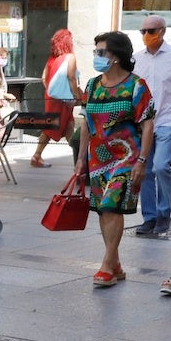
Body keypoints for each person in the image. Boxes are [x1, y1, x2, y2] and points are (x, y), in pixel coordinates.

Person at [76, 30, 155, 288]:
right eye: (95, 52)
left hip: (127, 157)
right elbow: (86, 125)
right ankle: (116, 264)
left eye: (102, 52)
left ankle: (107, 265)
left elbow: (148, 124)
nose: (97, 56)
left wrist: (142, 161)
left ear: (117, 56)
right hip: (98, 159)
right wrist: (80, 160)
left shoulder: (136, 85)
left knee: (112, 205)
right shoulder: (92, 85)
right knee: (102, 210)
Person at [132, 15, 171, 236]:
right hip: (143, 124)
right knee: (146, 170)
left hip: (166, 121)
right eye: (142, 32)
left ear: (162, 31)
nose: (146, 36)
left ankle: (164, 214)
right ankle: (150, 218)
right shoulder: (136, 59)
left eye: (150, 31)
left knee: (161, 166)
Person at [34, 28, 81, 168]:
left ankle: (37, 156)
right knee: (56, 125)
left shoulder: (52, 59)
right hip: (64, 99)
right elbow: (72, 78)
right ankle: (80, 159)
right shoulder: (69, 57)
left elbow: (44, 78)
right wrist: (76, 95)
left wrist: (54, 91)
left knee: (66, 124)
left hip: (52, 97)